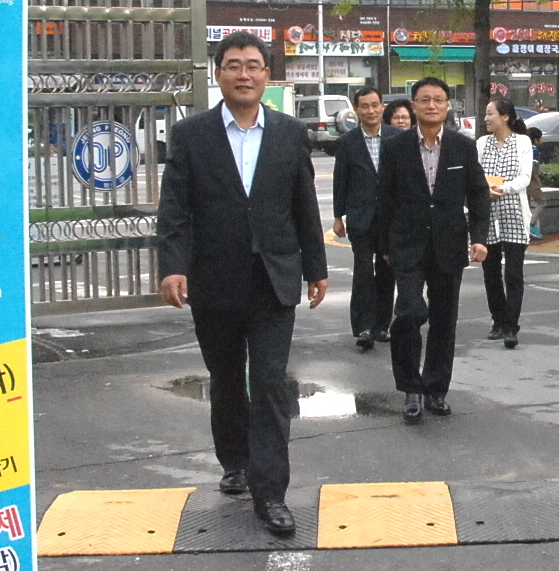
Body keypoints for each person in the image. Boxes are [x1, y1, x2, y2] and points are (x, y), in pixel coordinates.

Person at [157, 31, 328, 538]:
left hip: (275, 278)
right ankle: (234, 459)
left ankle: (271, 492)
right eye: (234, 65)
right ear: (219, 74)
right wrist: (173, 265)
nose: (244, 74)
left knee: (271, 380)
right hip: (215, 278)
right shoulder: (191, 135)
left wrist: (316, 268)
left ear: (267, 76)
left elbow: (303, 205)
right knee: (227, 377)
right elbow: (176, 210)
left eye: (254, 65)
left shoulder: (290, 133)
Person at [378, 78, 490, 423]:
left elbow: (479, 193)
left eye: (438, 100)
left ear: (446, 106)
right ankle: (411, 387)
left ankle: (435, 389)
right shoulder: (396, 148)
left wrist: (479, 237)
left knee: (445, 320)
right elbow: (384, 198)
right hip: (407, 246)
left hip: (449, 244)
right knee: (410, 313)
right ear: (412, 106)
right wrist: (384, 246)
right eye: (424, 100)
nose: (431, 105)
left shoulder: (462, 147)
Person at [331, 87, 395, 352]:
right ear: (356, 110)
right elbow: (340, 181)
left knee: (387, 271)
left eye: (374, 105)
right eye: (364, 106)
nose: (370, 111)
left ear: (382, 107)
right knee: (363, 272)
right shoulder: (347, 143)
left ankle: (382, 325)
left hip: (391, 218)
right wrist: (338, 216)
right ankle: (363, 327)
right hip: (360, 217)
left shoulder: (397, 137)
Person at [477, 98, 533, 350]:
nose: (486, 118)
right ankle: (497, 320)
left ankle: (512, 326)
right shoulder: (480, 143)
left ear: (505, 116)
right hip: (487, 214)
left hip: (513, 213)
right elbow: (474, 174)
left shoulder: (522, 142)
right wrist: (483, 188)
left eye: (490, 114)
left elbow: (525, 176)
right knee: (490, 273)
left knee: (513, 272)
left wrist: (503, 188)